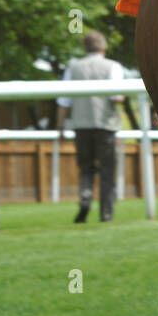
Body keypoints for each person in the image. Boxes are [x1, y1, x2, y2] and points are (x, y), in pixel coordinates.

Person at [56, 31, 129, 223]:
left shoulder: (73, 68)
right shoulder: (113, 67)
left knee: (86, 169)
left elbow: (63, 102)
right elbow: (117, 97)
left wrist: (60, 128)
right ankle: (106, 213)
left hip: (81, 127)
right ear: (103, 47)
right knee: (107, 171)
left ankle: (85, 201)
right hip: (106, 126)